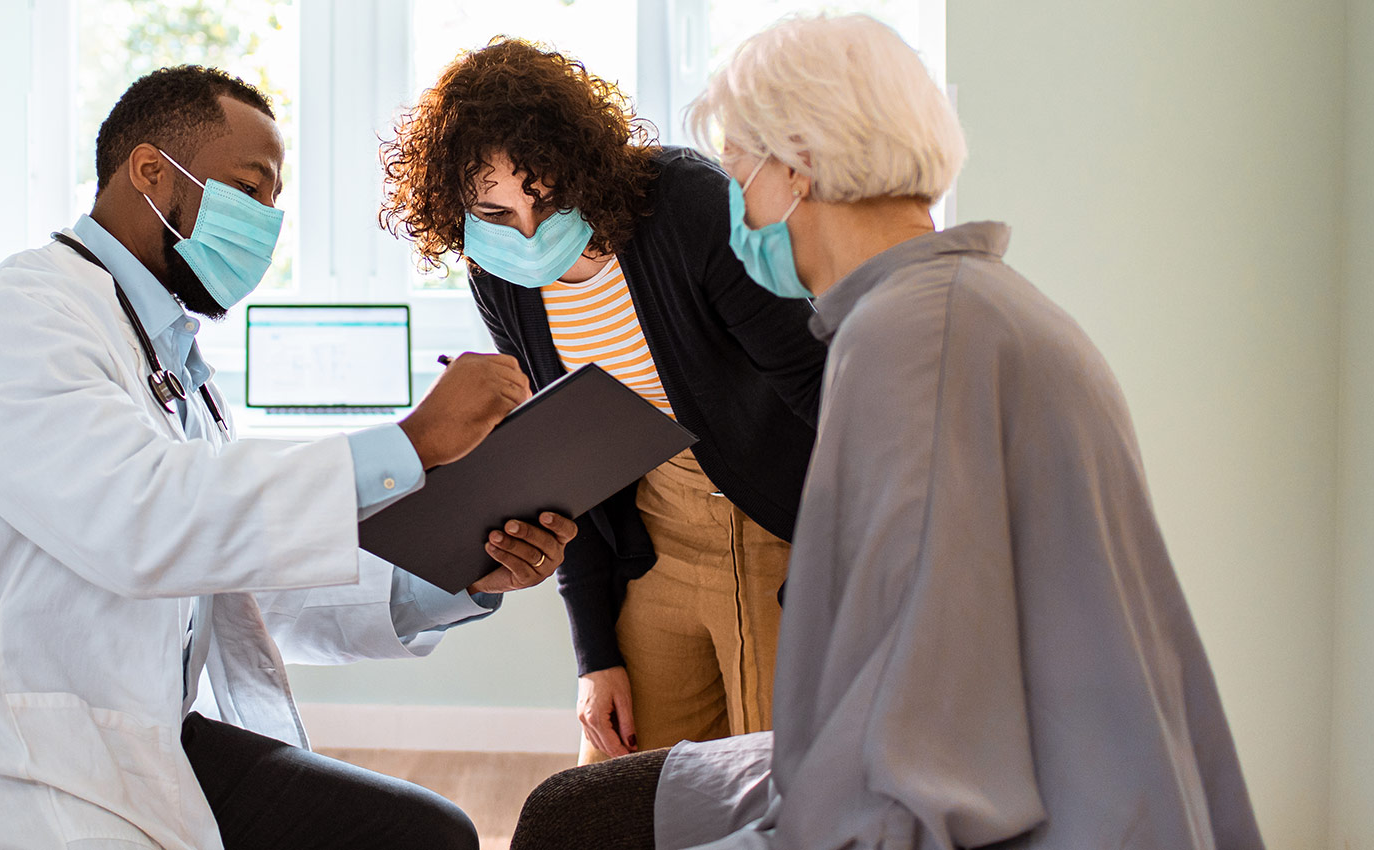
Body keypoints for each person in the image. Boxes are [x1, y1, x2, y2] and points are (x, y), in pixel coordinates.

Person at [512, 14, 1266, 850]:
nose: (734, 209)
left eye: (737, 177)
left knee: (571, 823)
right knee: (575, 810)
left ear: (794, 168)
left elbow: (918, 773)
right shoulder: (970, 308)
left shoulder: (908, 347)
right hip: (1026, 764)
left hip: (1007, 801)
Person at [0, 65, 582, 850]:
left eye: (275, 199)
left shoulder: (171, 363)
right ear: (148, 172)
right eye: (249, 188)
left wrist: (451, 573)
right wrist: (410, 443)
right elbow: (145, 522)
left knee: (425, 833)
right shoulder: (23, 315)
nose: (268, 221)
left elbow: (234, 579)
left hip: (133, 739)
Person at [382, 38, 828, 765]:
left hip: (782, 531)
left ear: (584, 165)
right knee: (616, 787)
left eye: (547, 199)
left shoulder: (685, 204)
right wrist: (593, 655)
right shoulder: (497, 274)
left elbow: (819, 386)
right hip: (653, 543)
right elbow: (564, 458)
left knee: (780, 790)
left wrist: (869, 564)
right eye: (494, 212)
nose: (526, 231)